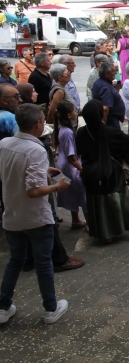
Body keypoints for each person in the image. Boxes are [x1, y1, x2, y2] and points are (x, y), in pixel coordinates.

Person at [0, 104, 71, 325]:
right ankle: (51, 308)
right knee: (43, 262)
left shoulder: (5, 144)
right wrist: (56, 187)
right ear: (38, 123)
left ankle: (3, 306)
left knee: (15, 260)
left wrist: (43, 172)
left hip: (12, 215)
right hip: (35, 217)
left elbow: (10, 174)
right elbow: (33, 191)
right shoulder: (37, 150)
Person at [76, 100, 129, 244]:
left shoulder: (81, 132)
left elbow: (80, 151)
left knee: (97, 203)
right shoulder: (110, 132)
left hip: (91, 175)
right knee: (121, 201)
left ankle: (107, 234)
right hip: (111, 174)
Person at [53, 100, 87, 229]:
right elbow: (71, 156)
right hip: (70, 169)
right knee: (82, 194)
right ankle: (89, 223)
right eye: (74, 110)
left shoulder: (61, 128)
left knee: (72, 193)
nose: (75, 112)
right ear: (68, 115)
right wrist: (82, 168)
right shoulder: (67, 132)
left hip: (61, 166)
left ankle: (75, 220)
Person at [91, 62, 126, 130]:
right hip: (110, 120)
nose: (115, 73)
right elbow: (105, 108)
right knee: (114, 138)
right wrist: (104, 120)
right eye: (113, 71)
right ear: (106, 74)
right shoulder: (105, 86)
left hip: (111, 119)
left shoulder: (101, 82)